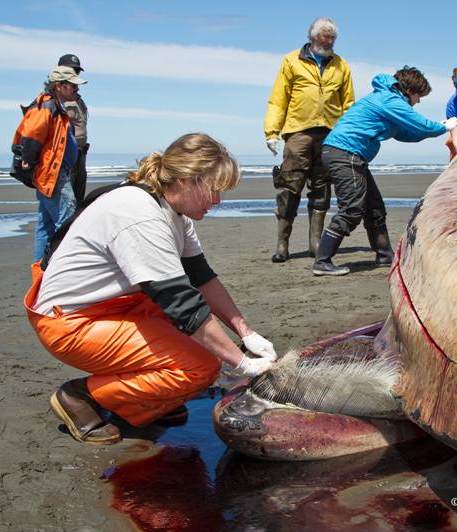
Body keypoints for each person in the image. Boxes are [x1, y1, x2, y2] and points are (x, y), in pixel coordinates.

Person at [23, 133, 277, 445]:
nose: (217, 202)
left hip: (116, 306)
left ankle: (151, 399)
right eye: (213, 191)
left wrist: (246, 332)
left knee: (204, 347)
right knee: (201, 366)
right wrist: (241, 364)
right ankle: (83, 396)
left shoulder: (175, 213)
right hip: (70, 321)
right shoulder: (139, 215)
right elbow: (182, 305)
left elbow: (202, 278)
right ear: (185, 180)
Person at [313, 67, 457, 276]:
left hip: (350, 155)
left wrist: (436, 129)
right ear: (409, 90)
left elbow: (407, 133)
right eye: (419, 96)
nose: (418, 102)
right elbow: (421, 125)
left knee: (374, 208)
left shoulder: (387, 101)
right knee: (352, 209)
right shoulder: (390, 100)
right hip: (344, 153)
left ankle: (384, 254)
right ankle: (322, 260)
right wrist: (443, 127)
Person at [264, 17, 355, 263]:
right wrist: (272, 132)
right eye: (326, 37)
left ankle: (315, 243)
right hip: (298, 133)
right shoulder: (291, 61)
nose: (330, 42)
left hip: (330, 134)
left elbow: (348, 104)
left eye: (333, 38)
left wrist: (350, 134)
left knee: (322, 187)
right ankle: (282, 244)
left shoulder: (341, 65)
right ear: (312, 37)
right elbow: (278, 98)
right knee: (289, 186)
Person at [12, 66, 84, 262]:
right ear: (60, 86)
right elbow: (32, 134)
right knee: (67, 221)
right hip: (53, 173)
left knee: (46, 224)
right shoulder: (47, 106)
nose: (77, 89)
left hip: (54, 172)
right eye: (73, 86)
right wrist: (28, 158)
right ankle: (60, 268)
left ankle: (41, 271)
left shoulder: (54, 106)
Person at [58, 53, 90, 203]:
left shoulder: (76, 98)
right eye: (71, 70)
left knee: (78, 198)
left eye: (76, 71)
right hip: (67, 155)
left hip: (81, 154)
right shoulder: (58, 98)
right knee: (67, 202)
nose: (74, 73)